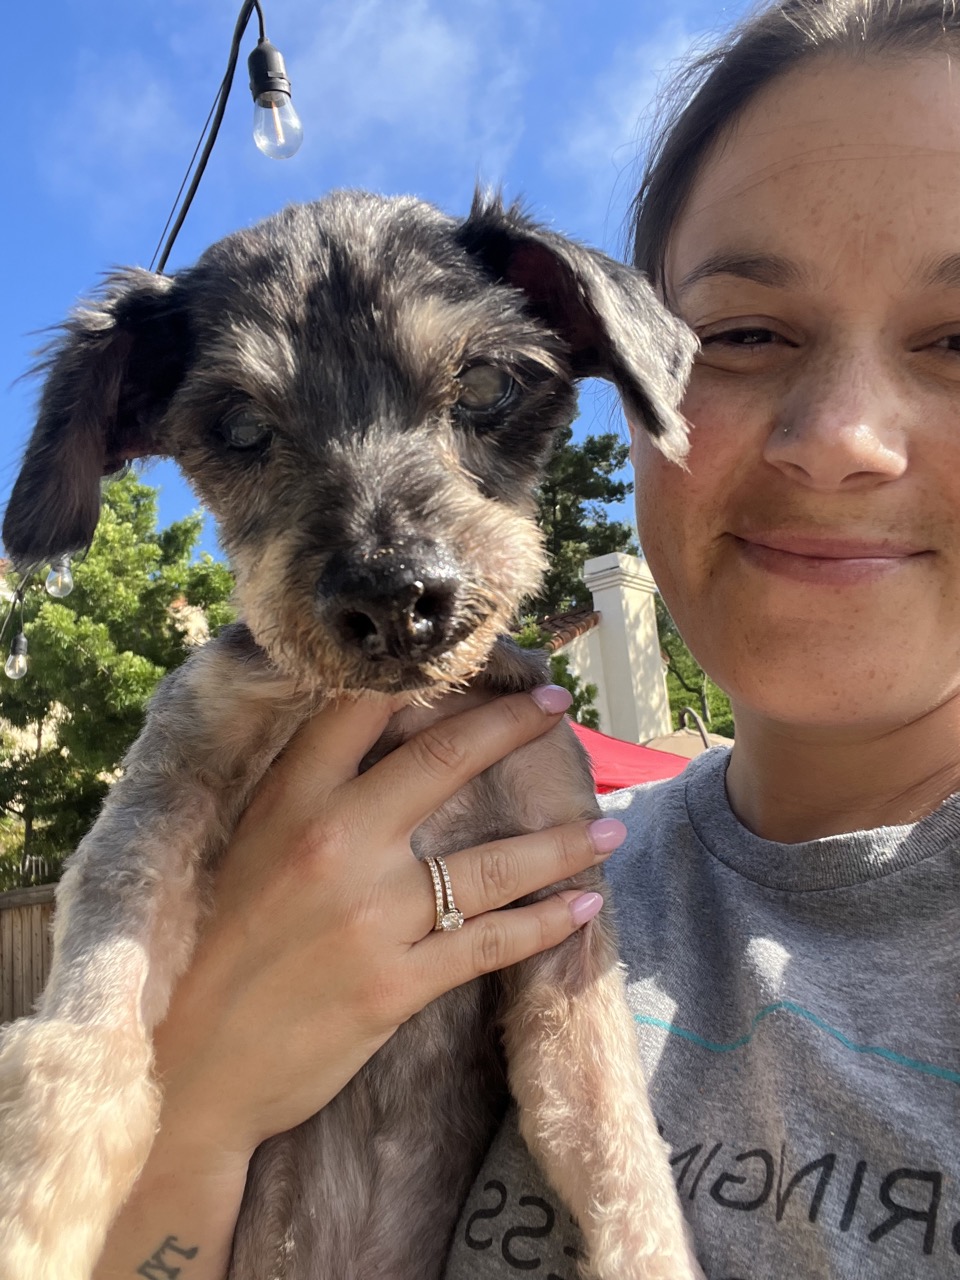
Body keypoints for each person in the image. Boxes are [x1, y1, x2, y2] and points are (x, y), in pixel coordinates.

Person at [94, 0, 960, 1276]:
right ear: (627, 355)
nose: (843, 438)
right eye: (743, 335)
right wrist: (199, 1110)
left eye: (958, 340)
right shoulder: (516, 835)